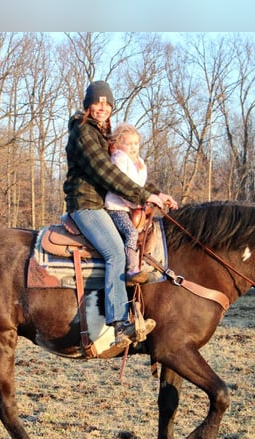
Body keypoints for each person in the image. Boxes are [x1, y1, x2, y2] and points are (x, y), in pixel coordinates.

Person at [62, 80, 175, 349]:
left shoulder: (103, 134)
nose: (102, 107)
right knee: (115, 251)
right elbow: (106, 173)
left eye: (107, 103)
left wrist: (158, 194)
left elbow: (127, 175)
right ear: (88, 105)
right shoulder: (83, 132)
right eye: (97, 102)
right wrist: (143, 197)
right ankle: (118, 321)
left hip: (104, 205)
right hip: (86, 204)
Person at [106, 123, 178, 283]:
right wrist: (140, 202)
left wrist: (160, 195)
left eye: (136, 143)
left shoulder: (138, 162)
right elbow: (123, 186)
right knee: (130, 232)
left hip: (133, 207)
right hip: (118, 207)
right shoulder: (119, 159)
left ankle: (147, 261)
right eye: (128, 143)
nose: (133, 147)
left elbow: (142, 185)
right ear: (118, 144)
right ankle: (131, 267)